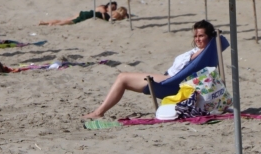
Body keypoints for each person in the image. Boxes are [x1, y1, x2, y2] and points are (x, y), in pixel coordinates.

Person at [82, 20, 217, 119]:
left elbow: (195, 60)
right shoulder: (202, 50)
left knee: (122, 77)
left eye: (201, 36)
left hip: (170, 82)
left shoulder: (203, 52)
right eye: (195, 36)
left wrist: (211, 42)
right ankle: (99, 111)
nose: (197, 39)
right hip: (169, 78)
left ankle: (98, 112)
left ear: (209, 37)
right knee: (122, 77)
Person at [39, 3, 123, 26]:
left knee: (66, 19)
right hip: (87, 15)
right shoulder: (103, 9)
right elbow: (104, 15)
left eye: (114, 8)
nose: (112, 9)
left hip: (84, 13)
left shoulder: (101, 7)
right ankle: (54, 24)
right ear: (108, 5)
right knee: (69, 22)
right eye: (112, 7)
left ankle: (45, 22)